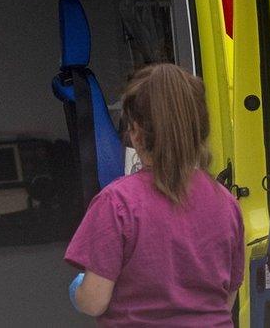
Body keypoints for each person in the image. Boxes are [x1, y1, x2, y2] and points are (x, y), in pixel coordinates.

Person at [65, 63, 244, 326]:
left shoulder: (116, 203)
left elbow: (94, 301)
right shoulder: (226, 202)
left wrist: (78, 291)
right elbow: (227, 299)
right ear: (200, 130)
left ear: (135, 132)